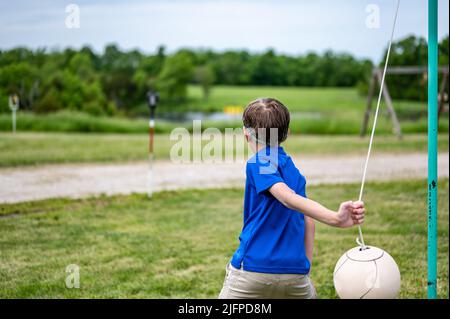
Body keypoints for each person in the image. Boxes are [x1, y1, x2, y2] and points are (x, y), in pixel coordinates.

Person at [218, 98, 365, 299]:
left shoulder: (260, 162)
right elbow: (308, 221)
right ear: (287, 134)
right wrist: (305, 268)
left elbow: (286, 198)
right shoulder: (292, 169)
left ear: (246, 134)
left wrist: (335, 218)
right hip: (296, 273)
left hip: (253, 269)